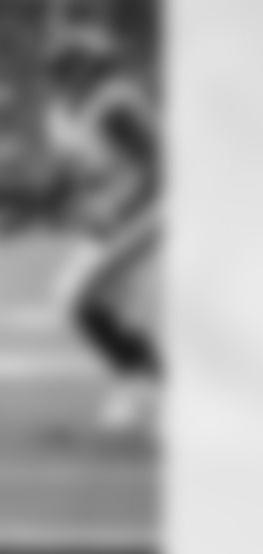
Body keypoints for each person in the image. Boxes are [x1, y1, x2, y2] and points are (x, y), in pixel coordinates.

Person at [44, 27, 161, 441]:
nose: (67, 77)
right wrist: (24, 213)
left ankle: (142, 383)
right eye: (62, 69)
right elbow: (66, 176)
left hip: (146, 213)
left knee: (77, 296)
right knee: (101, 305)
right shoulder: (64, 110)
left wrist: (120, 210)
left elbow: (161, 166)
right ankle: (141, 382)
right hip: (112, 216)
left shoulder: (115, 105)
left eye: (76, 68)